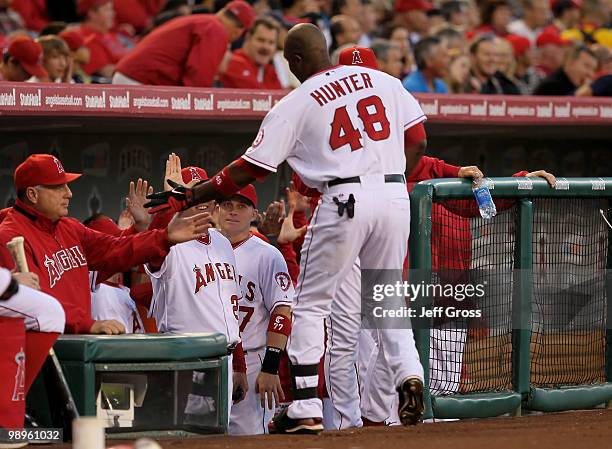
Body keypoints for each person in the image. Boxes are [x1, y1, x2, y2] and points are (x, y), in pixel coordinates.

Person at [145, 24, 428, 434]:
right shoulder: (383, 80)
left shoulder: (295, 103)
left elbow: (251, 168)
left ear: (294, 61)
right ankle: (409, 375)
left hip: (344, 197)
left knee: (312, 305)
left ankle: (306, 408)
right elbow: (417, 140)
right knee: (387, 296)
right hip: (394, 193)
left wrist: (196, 194)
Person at [0, 154, 210, 336]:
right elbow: (36, 302)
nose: (69, 193)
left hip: (76, 345)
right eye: (58, 187)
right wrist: (86, 325)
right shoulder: (9, 237)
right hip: (44, 349)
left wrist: (163, 236)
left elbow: (115, 249)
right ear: (33, 194)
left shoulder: (68, 227)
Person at [144, 160, 248, 426]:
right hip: (184, 356)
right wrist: (170, 203)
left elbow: (229, 308)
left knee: (218, 435)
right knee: (181, 433)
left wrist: (238, 364)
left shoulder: (223, 242)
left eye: (203, 192)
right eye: (190, 194)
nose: (201, 201)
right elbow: (155, 246)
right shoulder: (169, 244)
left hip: (222, 357)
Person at [213, 183, 295, 435]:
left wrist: (270, 366)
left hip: (251, 360)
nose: (233, 211)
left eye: (241, 206)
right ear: (216, 210)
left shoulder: (267, 255)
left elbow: (282, 312)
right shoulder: (199, 250)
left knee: (248, 438)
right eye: (227, 205)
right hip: (208, 360)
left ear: (253, 214)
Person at [112, 0, 255, 87]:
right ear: (238, 32)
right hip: (139, 82)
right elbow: (199, 76)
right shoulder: (215, 28)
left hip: (134, 78)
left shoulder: (203, 21)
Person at [220, 16, 282, 89]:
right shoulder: (233, 62)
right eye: (261, 40)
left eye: (271, 42)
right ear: (248, 38)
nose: (266, 47)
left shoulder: (271, 72)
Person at [74, 0, 131, 78]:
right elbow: (107, 72)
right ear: (92, 13)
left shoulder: (112, 34)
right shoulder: (87, 39)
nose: (113, 14)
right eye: (107, 9)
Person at [534, 44, 598, 95]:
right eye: (587, 66)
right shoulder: (552, 86)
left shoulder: (579, 86)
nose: (590, 74)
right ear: (570, 62)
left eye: (593, 70)